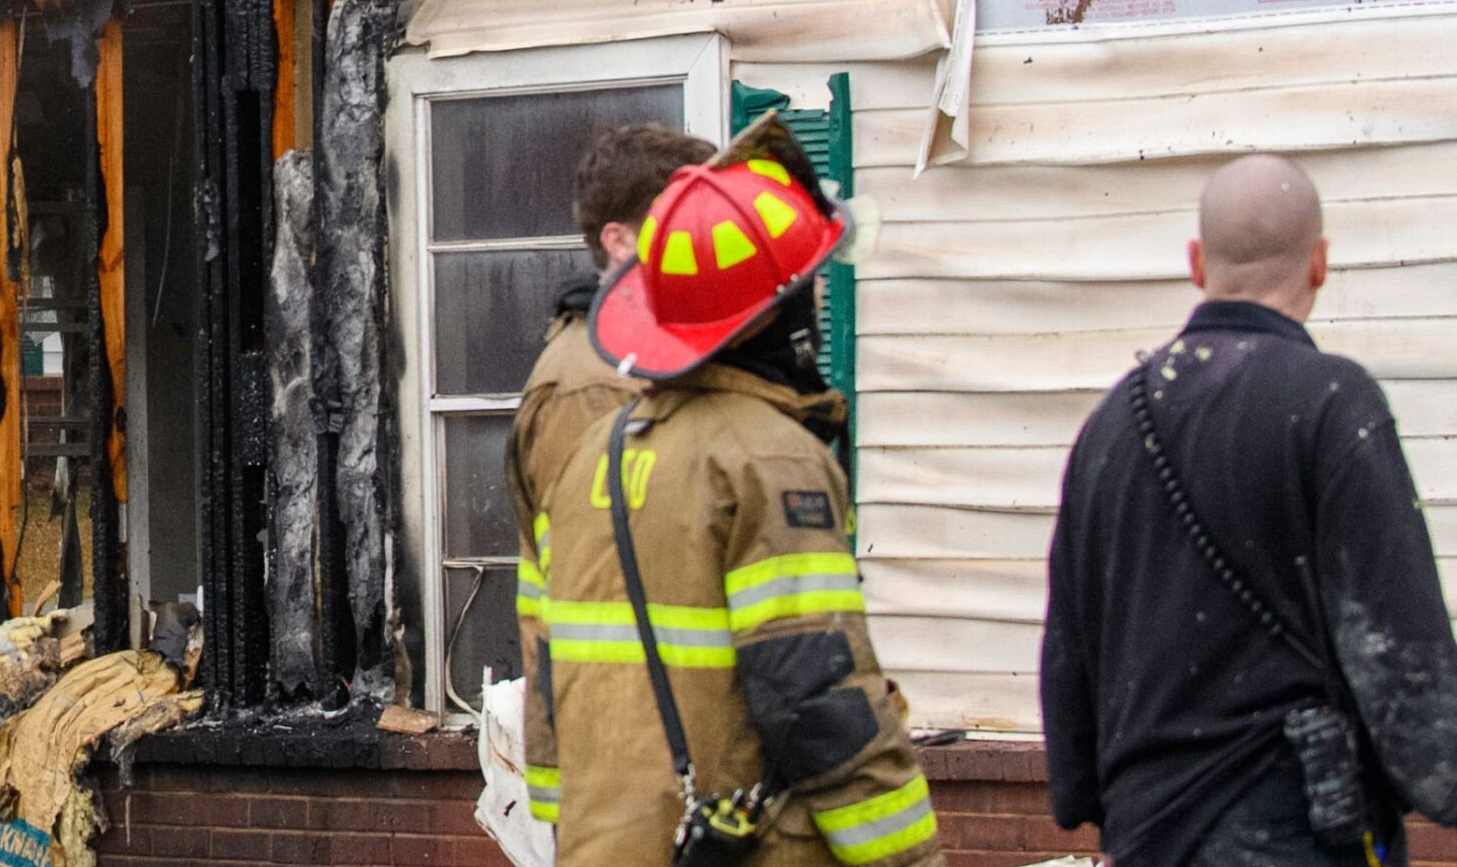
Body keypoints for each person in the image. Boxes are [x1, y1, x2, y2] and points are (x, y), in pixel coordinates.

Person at [534, 127, 940, 865]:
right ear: (775, 311)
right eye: (809, 281)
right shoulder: (767, 458)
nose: (818, 297)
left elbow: (550, 674)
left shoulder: (594, 452)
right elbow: (817, 702)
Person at [1041, 154, 1457, 866]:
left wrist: (1083, 790)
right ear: (1319, 264)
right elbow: (1396, 646)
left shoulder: (1109, 426)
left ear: (1197, 262)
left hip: (1145, 832)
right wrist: (1440, 776)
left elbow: (1071, 648)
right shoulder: (1333, 405)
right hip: (1295, 831)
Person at [508, 121, 713, 831]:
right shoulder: (589, 389)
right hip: (629, 774)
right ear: (621, 242)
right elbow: (595, 603)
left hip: (674, 759)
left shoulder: (653, 364)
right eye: (688, 220)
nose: (713, 239)